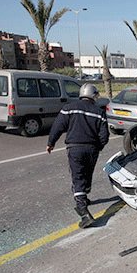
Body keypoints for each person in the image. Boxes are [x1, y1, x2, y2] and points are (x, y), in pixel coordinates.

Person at [46, 83, 109, 228]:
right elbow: (104, 136)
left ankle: (84, 212)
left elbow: (58, 126)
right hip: (92, 149)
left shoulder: (69, 108)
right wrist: (97, 147)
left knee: (78, 176)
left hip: (75, 148)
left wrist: (51, 142)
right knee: (87, 174)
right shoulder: (99, 112)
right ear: (94, 96)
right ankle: (84, 197)